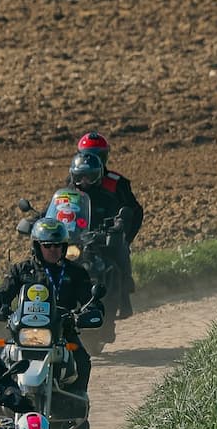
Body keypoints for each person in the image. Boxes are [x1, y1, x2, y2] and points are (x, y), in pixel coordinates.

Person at [0, 218, 101, 427]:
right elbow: (1, 298)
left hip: (62, 332)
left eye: (58, 246)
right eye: (48, 246)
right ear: (37, 246)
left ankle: (77, 410)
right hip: (24, 334)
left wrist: (89, 312)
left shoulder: (76, 272)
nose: (54, 250)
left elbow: (91, 300)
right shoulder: (21, 271)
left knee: (82, 359)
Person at [73, 131, 143, 318]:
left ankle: (124, 298)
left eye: (97, 154)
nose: (92, 158)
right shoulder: (76, 179)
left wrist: (123, 233)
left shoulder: (116, 183)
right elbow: (62, 203)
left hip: (106, 232)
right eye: (87, 153)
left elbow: (133, 210)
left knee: (119, 250)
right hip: (78, 232)